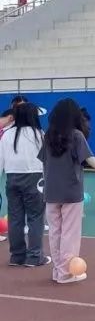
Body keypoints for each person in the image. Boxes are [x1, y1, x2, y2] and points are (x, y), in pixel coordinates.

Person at [38, 98, 95, 284]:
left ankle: (58, 270)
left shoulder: (48, 136)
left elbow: (43, 162)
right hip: (71, 191)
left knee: (55, 233)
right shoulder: (76, 135)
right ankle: (66, 273)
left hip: (51, 191)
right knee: (70, 234)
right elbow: (89, 158)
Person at [0, 103, 48, 267]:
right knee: (36, 218)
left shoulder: (7, 134)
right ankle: (35, 256)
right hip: (35, 178)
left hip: (12, 178)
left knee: (15, 218)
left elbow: (0, 160)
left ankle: (17, 256)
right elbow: (46, 160)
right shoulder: (39, 134)